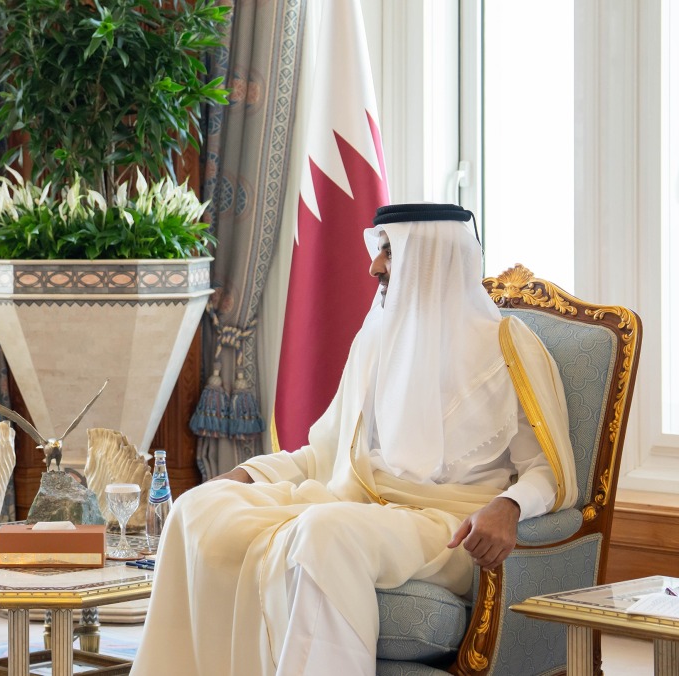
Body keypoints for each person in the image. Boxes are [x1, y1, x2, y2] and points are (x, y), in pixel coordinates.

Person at [130, 204, 578, 675]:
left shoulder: (508, 345)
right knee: (198, 508)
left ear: (432, 257)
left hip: (449, 527)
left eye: (390, 252)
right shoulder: (376, 341)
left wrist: (509, 506)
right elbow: (326, 453)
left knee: (324, 533)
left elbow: (547, 469)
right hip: (361, 504)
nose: (374, 266)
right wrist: (248, 473)